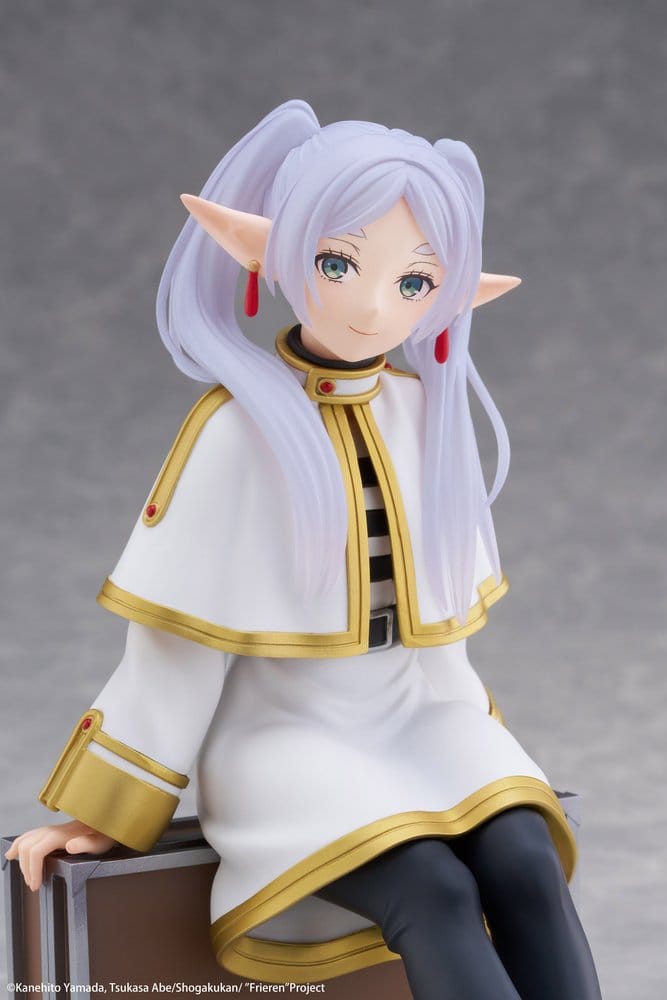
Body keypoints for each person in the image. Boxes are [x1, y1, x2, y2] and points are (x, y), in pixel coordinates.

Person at [6, 101, 602, 1000]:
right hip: (284, 739)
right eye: (337, 264)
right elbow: (173, 652)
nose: (372, 306)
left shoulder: (424, 416)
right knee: (431, 889)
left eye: (413, 281)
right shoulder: (235, 431)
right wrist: (112, 808)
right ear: (273, 257)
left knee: (525, 858)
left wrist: (486, 748)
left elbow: (440, 641)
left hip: (422, 716)